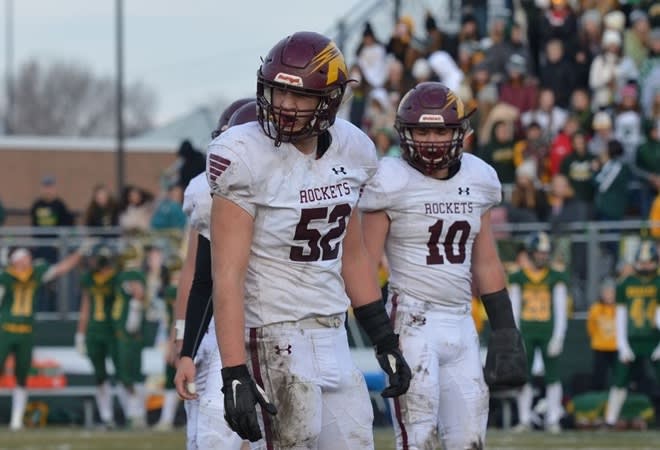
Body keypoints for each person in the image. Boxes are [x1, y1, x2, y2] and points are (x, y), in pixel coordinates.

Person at [206, 31, 411, 448]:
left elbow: (352, 257)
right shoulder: (244, 154)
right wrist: (232, 372)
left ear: (330, 100)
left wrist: (384, 339)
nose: (284, 106)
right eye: (278, 92)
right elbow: (227, 275)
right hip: (273, 335)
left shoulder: (353, 151)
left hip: (334, 333)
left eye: (299, 97)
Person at [359, 81, 527, 449]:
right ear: (405, 132)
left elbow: (485, 261)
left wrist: (504, 329)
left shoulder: (479, 178)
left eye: (440, 130)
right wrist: (382, 339)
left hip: (462, 322)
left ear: (459, 132)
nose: (432, 139)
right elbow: (364, 266)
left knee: (469, 440)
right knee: (419, 439)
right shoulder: (389, 180)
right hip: (411, 321)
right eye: (422, 130)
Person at [173, 101, 257, 450]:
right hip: (215, 327)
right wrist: (183, 339)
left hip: (276, 319)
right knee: (207, 433)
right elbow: (196, 273)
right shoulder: (204, 190)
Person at [0, 244, 88, 430]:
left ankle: (16, 420)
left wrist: (79, 254)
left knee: (22, 376)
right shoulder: (5, 277)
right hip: (6, 330)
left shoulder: (36, 273)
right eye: (22, 259)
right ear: (15, 261)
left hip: (25, 331)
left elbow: (61, 269)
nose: (26, 262)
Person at [510, 231, 569, 434]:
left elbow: (561, 309)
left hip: (547, 330)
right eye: (539, 252)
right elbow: (514, 307)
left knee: (553, 377)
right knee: (523, 378)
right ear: (531, 253)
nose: (542, 256)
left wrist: (559, 335)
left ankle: (553, 419)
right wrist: (516, 335)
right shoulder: (519, 276)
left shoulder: (556, 276)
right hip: (526, 331)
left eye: (545, 252)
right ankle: (524, 419)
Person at [603, 240, 660, 428]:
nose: (645, 266)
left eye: (648, 261)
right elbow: (620, 315)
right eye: (642, 262)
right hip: (632, 337)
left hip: (654, 338)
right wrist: (622, 344)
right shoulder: (626, 283)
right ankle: (610, 420)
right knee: (619, 380)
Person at [75, 243, 121, 428]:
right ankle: (106, 416)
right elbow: (85, 307)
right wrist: (80, 333)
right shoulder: (89, 278)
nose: (91, 262)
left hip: (113, 331)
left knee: (122, 373)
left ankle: (134, 415)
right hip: (95, 331)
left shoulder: (116, 278)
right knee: (100, 375)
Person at [112, 240, 148, 428]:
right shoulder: (128, 274)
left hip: (127, 331)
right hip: (125, 329)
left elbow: (138, 293)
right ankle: (134, 414)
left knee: (129, 375)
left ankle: (135, 414)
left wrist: (133, 316)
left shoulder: (131, 274)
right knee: (129, 374)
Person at [586, 278, 618, 392]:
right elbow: (591, 328)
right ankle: (598, 398)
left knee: (620, 376)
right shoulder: (595, 309)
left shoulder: (620, 308)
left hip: (617, 347)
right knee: (599, 375)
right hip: (600, 347)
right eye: (606, 292)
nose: (608, 295)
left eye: (611, 292)